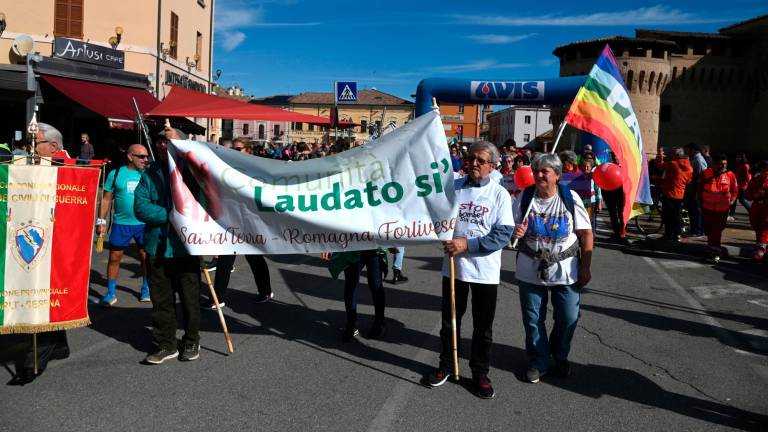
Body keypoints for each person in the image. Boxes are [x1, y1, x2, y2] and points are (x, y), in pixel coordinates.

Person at [426, 141, 513, 399]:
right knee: (449, 322)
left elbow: (503, 235)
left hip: (485, 272)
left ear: (492, 166)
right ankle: (445, 364)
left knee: (482, 327)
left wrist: (468, 244)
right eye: (471, 158)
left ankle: (479, 372)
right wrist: (438, 233)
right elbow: (433, 215)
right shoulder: (453, 188)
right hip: (453, 269)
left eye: (480, 160)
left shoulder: (499, 195)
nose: (473, 163)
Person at [512, 153, 593, 384]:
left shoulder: (570, 197)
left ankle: (560, 354)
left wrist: (585, 268)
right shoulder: (525, 197)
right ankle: (539, 360)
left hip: (565, 269)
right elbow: (510, 227)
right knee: (533, 319)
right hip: (530, 267)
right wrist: (515, 232)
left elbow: (586, 234)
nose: (538, 175)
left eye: (544, 171)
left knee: (568, 316)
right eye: (536, 170)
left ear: (557, 175)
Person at [133, 128, 202, 364]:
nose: (164, 146)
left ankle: (192, 340)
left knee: (190, 299)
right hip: (156, 247)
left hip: (186, 247)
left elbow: (200, 206)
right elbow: (141, 208)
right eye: (161, 141)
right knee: (161, 301)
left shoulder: (193, 172)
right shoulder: (149, 173)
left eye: (170, 141)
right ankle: (166, 344)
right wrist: (173, 214)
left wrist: (182, 213)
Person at [11, 123, 71, 384]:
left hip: (59, 242)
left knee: (46, 296)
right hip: (30, 239)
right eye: (29, 143)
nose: (29, 148)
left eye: (35, 144)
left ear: (53, 147)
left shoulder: (68, 168)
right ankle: (59, 346)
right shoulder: (26, 164)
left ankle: (33, 362)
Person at [96, 144, 151, 305]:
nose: (145, 159)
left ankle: (146, 288)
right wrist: (101, 221)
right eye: (141, 156)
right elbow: (106, 199)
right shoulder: (116, 173)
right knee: (114, 257)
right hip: (121, 224)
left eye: (146, 156)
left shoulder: (148, 174)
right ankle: (111, 293)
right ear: (130, 156)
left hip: (144, 223)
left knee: (145, 257)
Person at [323, 249, 387, 341]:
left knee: (375, 284)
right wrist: (327, 246)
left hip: (375, 245)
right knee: (351, 284)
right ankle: (352, 325)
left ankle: (379, 322)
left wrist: (394, 242)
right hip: (352, 245)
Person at [698, 154, 738, 263]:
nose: (723, 166)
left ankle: (715, 253)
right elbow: (699, 189)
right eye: (721, 164)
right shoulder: (706, 173)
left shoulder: (730, 175)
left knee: (716, 231)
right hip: (707, 208)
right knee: (708, 230)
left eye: (725, 164)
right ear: (714, 164)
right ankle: (712, 249)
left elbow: (734, 191)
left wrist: (731, 201)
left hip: (722, 210)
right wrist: (701, 203)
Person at [655, 147, 693, 241]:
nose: (670, 155)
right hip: (680, 194)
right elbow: (688, 181)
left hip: (669, 193)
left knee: (667, 216)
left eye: (672, 153)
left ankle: (668, 234)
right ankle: (677, 234)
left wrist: (660, 154)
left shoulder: (673, 164)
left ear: (676, 155)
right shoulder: (689, 167)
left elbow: (659, 165)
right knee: (677, 215)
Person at [601, 152, 628, 244]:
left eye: (616, 156)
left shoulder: (625, 168)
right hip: (610, 193)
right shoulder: (608, 166)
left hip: (621, 194)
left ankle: (623, 233)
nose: (615, 158)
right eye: (613, 156)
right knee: (613, 214)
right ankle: (616, 233)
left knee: (622, 213)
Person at [746, 161, 768, 262]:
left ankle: (761, 249)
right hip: (756, 206)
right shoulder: (755, 179)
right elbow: (748, 195)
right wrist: (755, 195)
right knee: (756, 225)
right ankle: (760, 246)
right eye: (764, 169)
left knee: (765, 226)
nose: (765, 172)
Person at [684, 143, 708, 236]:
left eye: (688, 149)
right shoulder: (693, 158)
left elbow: (702, 176)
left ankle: (698, 231)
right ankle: (694, 229)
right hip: (691, 189)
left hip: (695, 190)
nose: (686, 152)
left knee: (696, 211)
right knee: (692, 210)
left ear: (693, 150)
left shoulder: (698, 160)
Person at [729, 153, 752, 221]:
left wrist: (747, 185)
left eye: (739, 157)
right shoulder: (739, 165)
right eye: (737, 157)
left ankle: (751, 212)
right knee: (734, 200)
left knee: (741, 200)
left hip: (742, 186)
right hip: (737, 185)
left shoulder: (745, 166)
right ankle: (731, 214)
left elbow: (748, 177)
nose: (737, 158)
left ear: (742, 158)